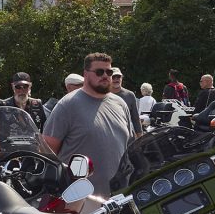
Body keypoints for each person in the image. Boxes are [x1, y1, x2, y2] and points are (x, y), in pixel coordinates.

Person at [41, 52, 132, 197]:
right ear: (86, 74)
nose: (105, 76)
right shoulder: (67, 105)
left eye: (109, 72)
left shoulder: (120, 103)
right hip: (79, 200)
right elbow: (47, 152)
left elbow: (129, 146)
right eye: (99, 72)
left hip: (118, 196)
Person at [110, 67, 143, 138]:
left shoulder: (130, 95)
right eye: (113, 77)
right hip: (109, 136)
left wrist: (140, 137)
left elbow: (135, 118)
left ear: (121, 78)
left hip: (128, 137)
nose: (116, 79)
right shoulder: (103, 95)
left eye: (118, 77)